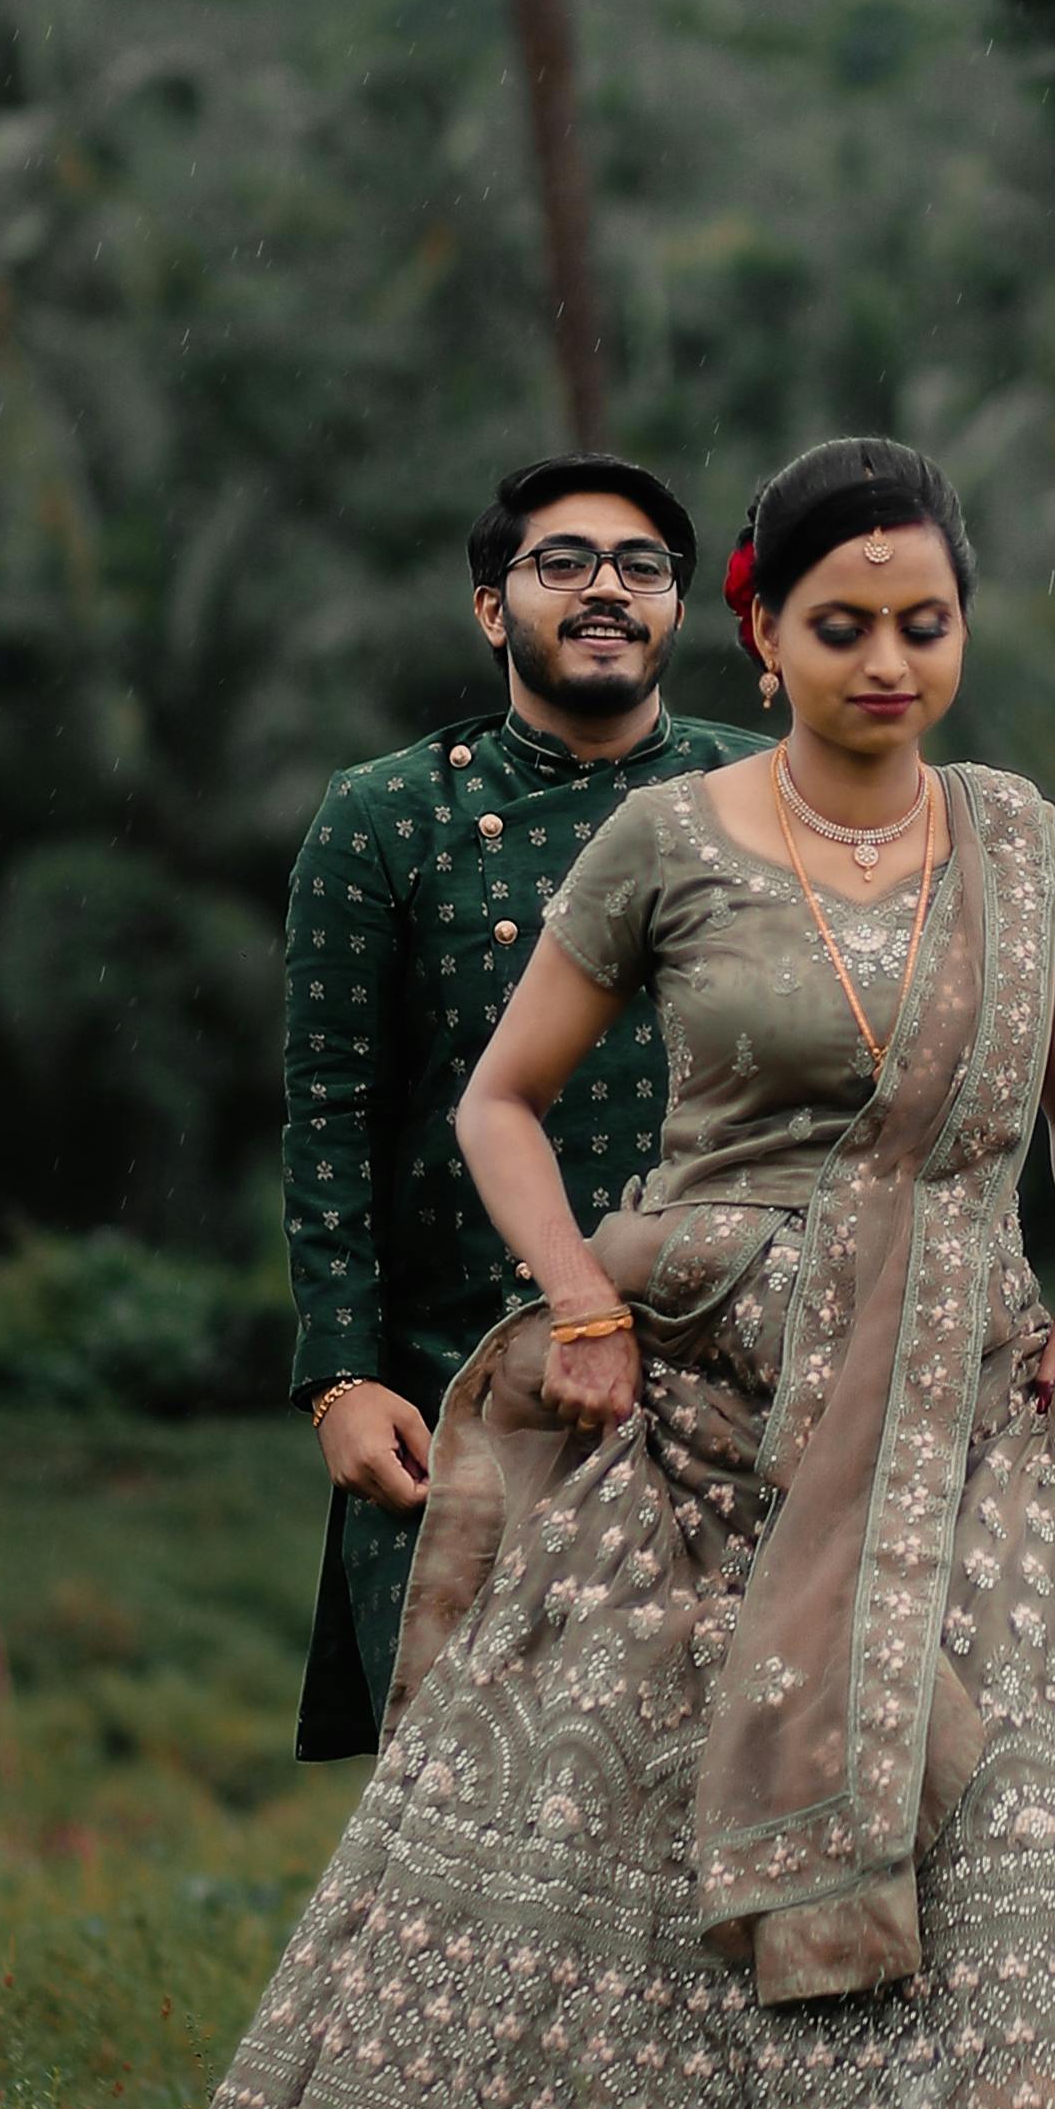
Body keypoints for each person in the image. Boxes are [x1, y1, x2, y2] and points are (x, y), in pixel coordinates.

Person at [213, 431, 1055, 2109]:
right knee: (736, 1884)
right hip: (710, 1414)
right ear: (763, 628)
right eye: (842, 624)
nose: (891, 659)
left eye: (926, 621)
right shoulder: (666, 838)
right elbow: (486, 1104)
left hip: (971, 1435)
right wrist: (565, 1296)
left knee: (950, 1880)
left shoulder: (1011, 839)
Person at [282, 454, 722, 1758]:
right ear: (492, 609)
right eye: (563, 562)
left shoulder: (764, 799)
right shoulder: (383, 818)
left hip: (734, 1375)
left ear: (677, 610)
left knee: (710, 1806)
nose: (605, 588)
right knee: (468, 1810)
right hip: (461, 1377)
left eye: (640, 566)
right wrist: (342, 1375)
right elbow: (330, 1112)